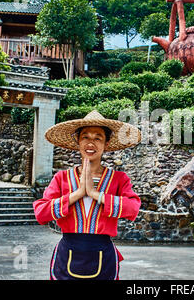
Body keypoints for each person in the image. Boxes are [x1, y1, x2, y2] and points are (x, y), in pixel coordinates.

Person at [33, 110, 141, 280]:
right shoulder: (61, 178)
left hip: (103, 255)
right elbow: (41, 213)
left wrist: (95, 194)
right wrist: (77, 194)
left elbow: (133, 208)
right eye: (85, 137)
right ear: (78, 141)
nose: (91, 143)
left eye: (98, 137)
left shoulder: (119, 179)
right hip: (67, 254)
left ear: (106, 143)